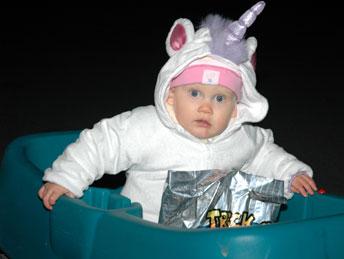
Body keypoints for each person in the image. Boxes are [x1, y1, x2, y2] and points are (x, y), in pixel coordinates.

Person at [38, 1, 317, 223]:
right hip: (140, 229)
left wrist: (292, 173)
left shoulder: (241, 136)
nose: (206, 107)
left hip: (208, 232)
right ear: (171, 94)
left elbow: (264, 154)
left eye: (220, 98)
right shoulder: (147, 127)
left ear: (236, 109)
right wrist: (65, 180)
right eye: (194, 93)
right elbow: (100, 144)